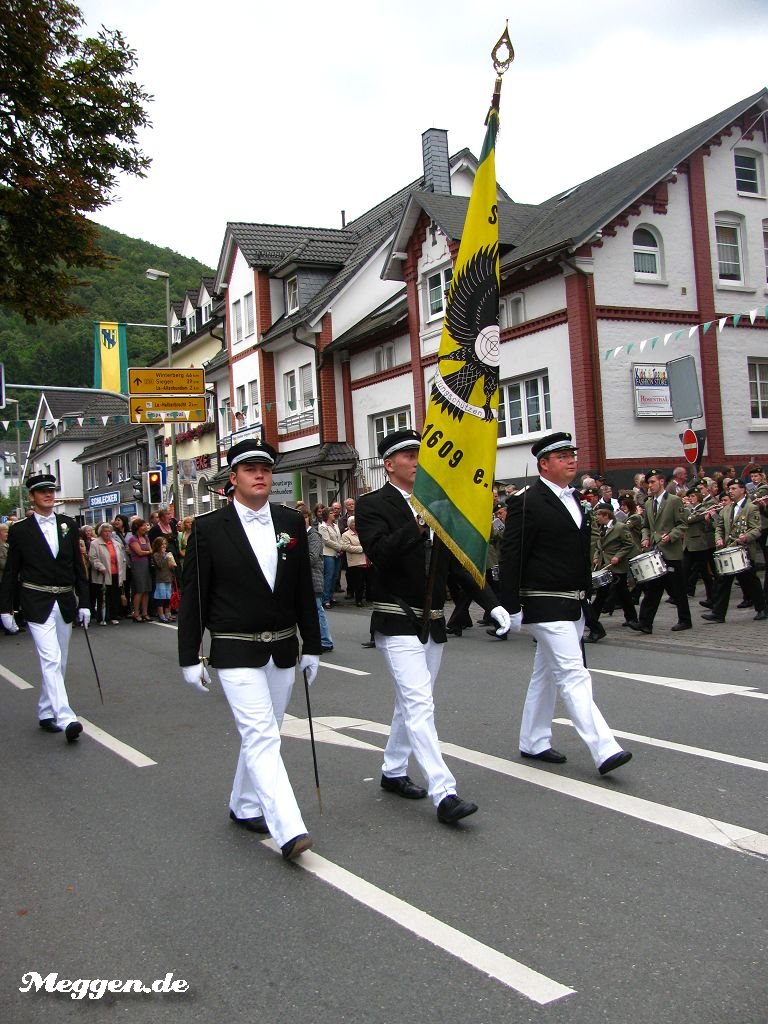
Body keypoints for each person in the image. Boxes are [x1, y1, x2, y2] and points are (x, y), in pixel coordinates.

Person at [356, 428, 510, 825]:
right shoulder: (373, 504)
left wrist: (492, 604)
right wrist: (420, 524)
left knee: (411, 702)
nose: (417, 462)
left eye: (420, 455)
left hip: (434, 622)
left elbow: (458, 563)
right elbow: (380, 553)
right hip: (396, 619)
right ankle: (444, 792)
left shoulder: (440, 503)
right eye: (409, 456)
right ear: (389, 464)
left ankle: (393, 770)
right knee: (420, 704)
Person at [177, 439, 321, 861]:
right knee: (260, 734)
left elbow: (302, 590)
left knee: (266, 732)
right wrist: (189, 655)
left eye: (266, 468)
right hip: (235, 649)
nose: (260, 475)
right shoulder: (208, 528)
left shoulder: (289, 522)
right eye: (250, 469)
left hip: (282, 648)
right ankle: (289, 828)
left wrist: (312, 645)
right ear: (233, 478)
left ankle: (244, 804)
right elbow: (194, 597)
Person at [498, 432, 631, 776]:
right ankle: (604, 748)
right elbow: (512, 556)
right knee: (574, 674)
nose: (571, 460)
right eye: (562, 456)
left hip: (573, 603)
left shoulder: (576, 499)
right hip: (543, 603)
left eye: (572, 454)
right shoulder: (527, 502)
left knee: (545, 675)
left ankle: (533, 740)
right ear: (543, 464)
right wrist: (510, 606)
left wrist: (587, 594)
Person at [0, 473, 90, 741]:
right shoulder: (20, 530)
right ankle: (65, 717)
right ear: (32, 497)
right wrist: (5, 608)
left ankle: (45, 710)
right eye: (42, 491)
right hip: (36, 601)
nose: (49, 495)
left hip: (64, 600)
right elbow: (11, 571)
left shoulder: (68, 525)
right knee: (50, 659)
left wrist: (85, 603)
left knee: (59, 661)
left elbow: (78, 567)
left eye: (51, 490)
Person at [629, 468, 692, 634]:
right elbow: (646, 526)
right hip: (655, 552)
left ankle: (685, 620)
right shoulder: (649, 503)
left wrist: (671, 536)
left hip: (671, 552)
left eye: (652, 482)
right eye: (648, 483)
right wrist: (645, 537)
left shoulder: (673, 501)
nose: (650, 486)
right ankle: (645, 623)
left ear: (661, 482)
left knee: (677, 589)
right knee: (652, 589)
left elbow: (682, 524)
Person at [702, 478, 767, 623]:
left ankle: (762, 609)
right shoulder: (726, 509)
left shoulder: (751, 507)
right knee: (723, 582)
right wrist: (718, 538)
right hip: (729, 551)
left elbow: (757, 529)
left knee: (751, 581)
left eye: (734, 489)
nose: (730, 491)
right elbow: (719, 527)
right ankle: (718, 613)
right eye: (729, 489)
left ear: (743, 490)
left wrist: (746, 537)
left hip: (744, 551)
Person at [302, 507, 334, 652]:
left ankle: (325, 641)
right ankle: (314, 640)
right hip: (303, 580)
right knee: (308, 612)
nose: (302, 521)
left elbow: (312, 558)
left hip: (313, 579)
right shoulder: (301, 535)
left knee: (317, 610)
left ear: (308, 518)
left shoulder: (313, 536)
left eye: (304, 517)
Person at [88, 521, 126, 624]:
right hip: (103, 574)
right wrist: (100, 566)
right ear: (100, 532)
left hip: (115, 573)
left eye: (109, 531)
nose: (107, 533)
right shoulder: (95, 543)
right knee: (103, 596)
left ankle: (114, 616)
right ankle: (102, 617)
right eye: (105, 531)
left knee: (115, 596)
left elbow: (121, 558)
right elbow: (93, 558)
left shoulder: (116, 543)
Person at [340, 515, 369, 606]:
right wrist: (362, 548)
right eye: (354, 522)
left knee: (367, 581)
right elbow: (346, 547)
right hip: (356, 562)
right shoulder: (346, 534)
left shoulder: (363, 532)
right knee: (358, 582)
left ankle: (368, 597)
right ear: (350, 524)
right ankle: (358, 600)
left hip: (366, 560)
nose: (356, 524)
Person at [127, 518, 152, 622]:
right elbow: (139, 552)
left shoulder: (146, 537)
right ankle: (136, 613)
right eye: (143, 526)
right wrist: (147, 552)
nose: (145, 527)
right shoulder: (133, 539)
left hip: (146, 564)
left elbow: (149, 550)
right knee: (139, 590)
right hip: (137, 565)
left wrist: (146, 552)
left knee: (146, 589)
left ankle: (145, 612)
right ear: (137, 527)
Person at [318, 506, 342, 608]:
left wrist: (340, 547)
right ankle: (325, 599)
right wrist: (340, 547)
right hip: (328, 554)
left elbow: (339, 538)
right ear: (327, 515)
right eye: (331, 513)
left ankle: (331, 596)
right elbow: (326, 541)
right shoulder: (322, 527)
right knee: (328, 576)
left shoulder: (335, 525)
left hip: (337, 554)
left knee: (335, 576)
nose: (334, 514)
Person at [151, 536, 177, 623]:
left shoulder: (168, 554)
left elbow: (172, 567)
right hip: (160, 579)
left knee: (167, 597)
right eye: (162, 544)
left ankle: (167, 613)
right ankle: (161, 614)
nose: (164, 546)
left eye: (165, 544)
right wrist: (164, 556)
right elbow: (160, 565)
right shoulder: (156, 555)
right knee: (160, 597)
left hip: (168, 578)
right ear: (157, 545)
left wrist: (172, 564)